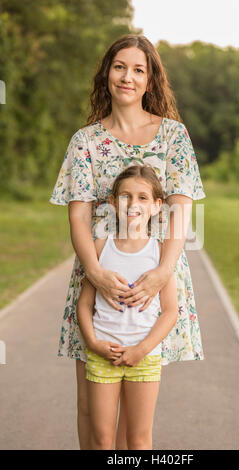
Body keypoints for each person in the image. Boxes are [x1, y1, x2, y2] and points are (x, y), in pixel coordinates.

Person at [49, 34, 206, 450]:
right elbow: (79, 215)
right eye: (120, 67)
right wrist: (97, 274)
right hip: (100, 273)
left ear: (151, 80)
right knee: (91, 405)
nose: (128, 77)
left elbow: (180, 210)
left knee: (136, 415)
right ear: (106, 75)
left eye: (139, 69)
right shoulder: (85, 141)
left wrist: (161, 273)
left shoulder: (173, 136)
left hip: (156, 275)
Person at [76, 164, 178, 450]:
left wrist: (141, 349)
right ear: (112, 203)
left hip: (144, 358)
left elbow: (170, 311)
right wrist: (94, 343)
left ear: (158, 206)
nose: (133, 204)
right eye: (125, 196)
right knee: (101, 439)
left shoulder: (159, 254)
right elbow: (84, 305)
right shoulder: (100, 248)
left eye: (143, 198)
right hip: (102, 356)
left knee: (139, 439)